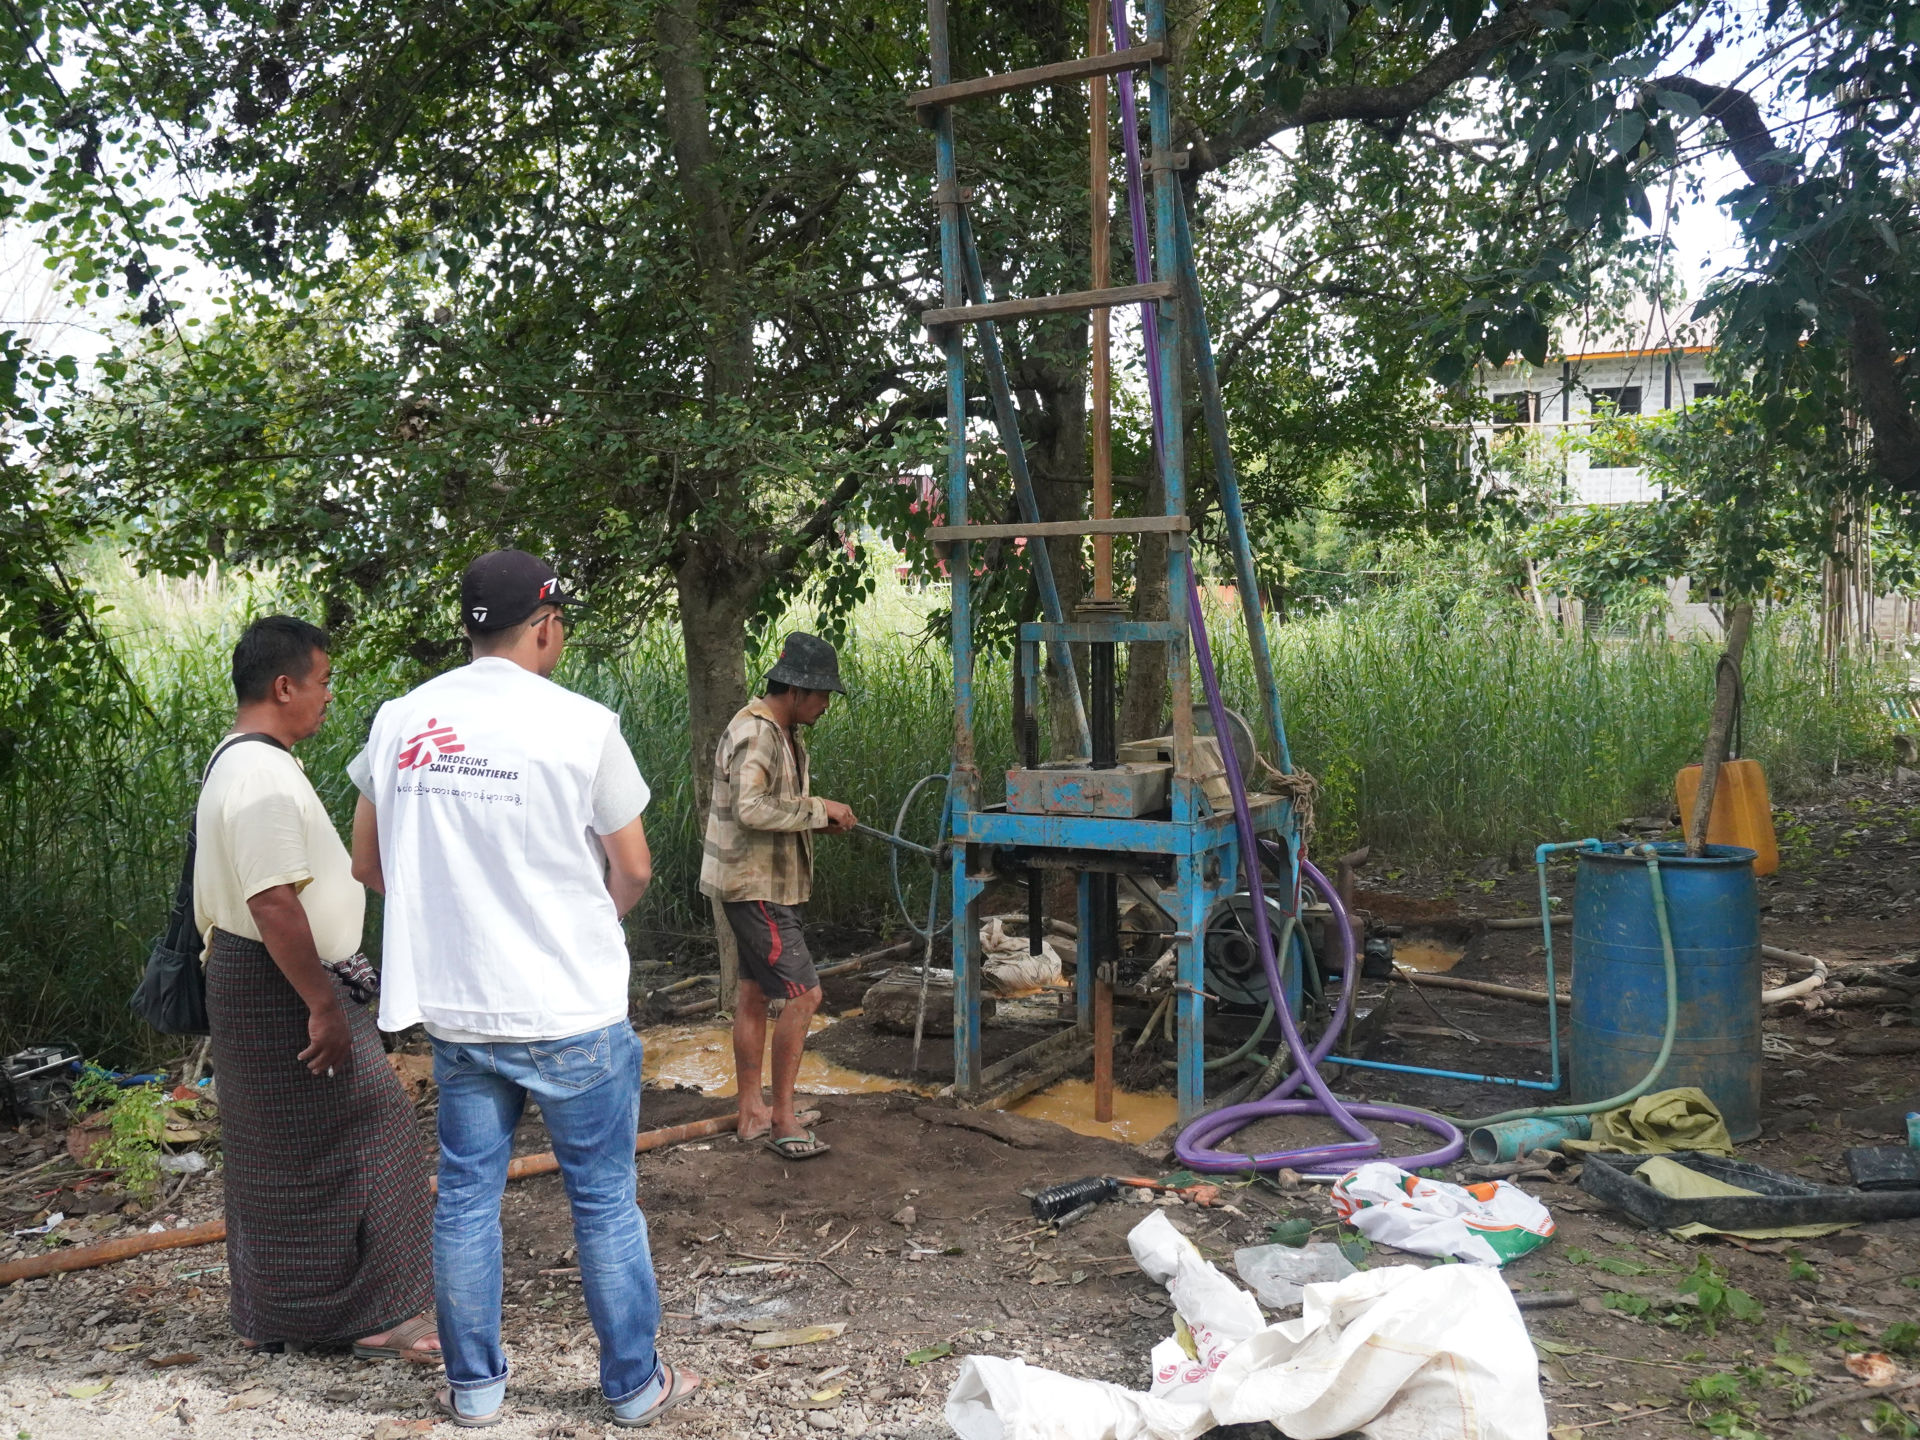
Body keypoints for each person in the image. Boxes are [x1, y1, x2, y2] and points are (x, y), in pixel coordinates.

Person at [349, 550, 698, 1430]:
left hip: (461, 1014)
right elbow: (635, 867)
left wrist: (458, 916)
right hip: (570, 1010)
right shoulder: (582, 725)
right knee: (604, 1201)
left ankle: (475, 1392)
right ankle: (630, 1388)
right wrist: (583, 929)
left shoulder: (402, 719)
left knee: (467, 1198)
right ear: (544, 625)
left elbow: (367, 861)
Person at [194, 615, 437, 1362]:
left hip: (265, 982)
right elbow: (273, 901)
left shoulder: (243, 761)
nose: (330, 697)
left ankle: (292, 1314)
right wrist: (323, 1004)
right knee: (379, 1131)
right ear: (284, 685)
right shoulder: (261, 776)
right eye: (324, 681)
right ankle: (377, 1314)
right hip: (283, 986)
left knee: (288, 1158)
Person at [699, 632, 857, 1161]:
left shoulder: (784, 732)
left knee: (752, 994)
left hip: (757, 884)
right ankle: (784, 1120)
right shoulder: (759, 733)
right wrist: (818, 809)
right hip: (755, 887)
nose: (826, 704)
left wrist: (818, 822)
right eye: (822, 694)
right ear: (797, 689)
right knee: (805, 995)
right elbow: (751, 807)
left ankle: (751, 1112)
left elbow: (772, 807)